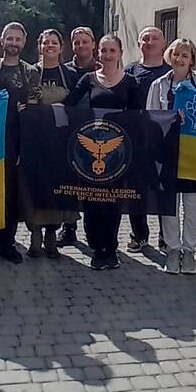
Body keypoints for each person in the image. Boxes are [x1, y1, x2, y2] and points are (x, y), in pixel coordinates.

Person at [63, 34, 143, 271]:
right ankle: (97, 248)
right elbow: (68, 105)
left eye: (112, 50)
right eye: (104, 50)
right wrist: (37, 111)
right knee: (91, 199)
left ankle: (111, 248)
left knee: (113, 200)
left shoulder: (131, 82)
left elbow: (138, 116)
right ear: (98, 52)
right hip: (90, 152)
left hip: (117, 152)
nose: (107, 55)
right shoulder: (88, 79)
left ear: (120, 53)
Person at [145, 38, 196, 274]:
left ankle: (190, 250)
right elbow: (151, 117)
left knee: (193, 206)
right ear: (169, 56)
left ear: (192, 59)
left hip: (194, 152)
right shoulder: (159, 85)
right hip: (167, 152)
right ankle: (172, 250)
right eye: (176, 54)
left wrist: (194, 112)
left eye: (185, 55)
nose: (180, 59)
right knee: (169, 204)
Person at [0, 22, 38, 266]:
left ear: (24, 42)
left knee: (10, 193)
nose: (13, 43)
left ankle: (7, 243)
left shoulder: (30, 72)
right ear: (2, 40)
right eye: (9, 38)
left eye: (17, 39)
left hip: (15, 139)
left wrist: (27, 111)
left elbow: (35, 105)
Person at [26, 29, 78, 257]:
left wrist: (65, 109)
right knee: (36, 185)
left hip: (61, 140)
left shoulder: (70, 73)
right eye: (45, 42)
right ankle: (35, 234)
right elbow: (26, 102)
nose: (49, 46)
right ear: (39, 46)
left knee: (58, 187)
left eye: (54, 42)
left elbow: (78, 104)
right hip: (36, 139)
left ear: (60, 47)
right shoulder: (30, 72)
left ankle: (51, 235)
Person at [124, 27, 171, 252]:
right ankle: (139, 235)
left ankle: (166, 236)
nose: (150, 42)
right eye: (145, 38)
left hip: (163, 142)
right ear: (139, 43)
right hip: (135, 141)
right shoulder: (129, 71)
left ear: (164, 43)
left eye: (155, 38)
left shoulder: (170, 72)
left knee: (163, 189)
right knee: (136, 190)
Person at [58, 26, 100, 247]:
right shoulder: (64, 71)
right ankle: (69, 228)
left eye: (85, 41)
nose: (81, 45)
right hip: (70, 133)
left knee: (94, 182)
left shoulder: (103, 69)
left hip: (97, 133)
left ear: (93, 44)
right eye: (77, 42)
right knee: (69, 182)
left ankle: (94, 231)